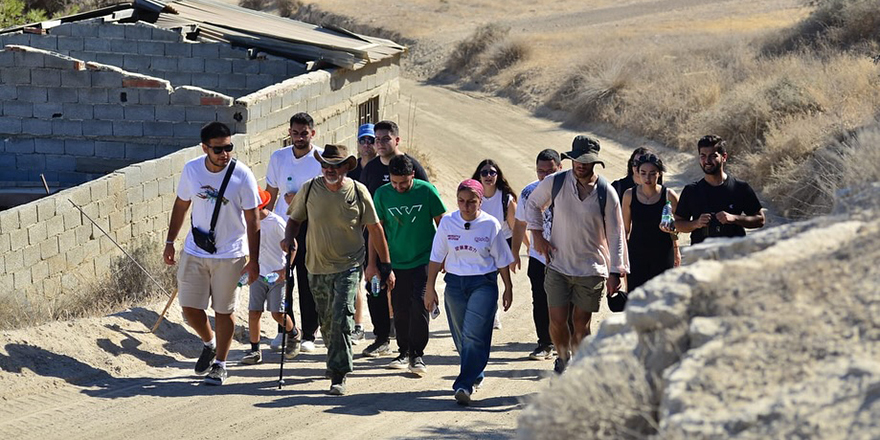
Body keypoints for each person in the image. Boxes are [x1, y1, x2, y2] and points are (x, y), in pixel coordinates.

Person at [282, 144, 396, 396]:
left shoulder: (358, 191)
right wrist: (288, 238)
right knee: (326, 321)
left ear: (346, 167)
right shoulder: (309, 189)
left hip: (349, 265)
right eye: (325, 165)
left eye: (335, 166)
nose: (329, 170)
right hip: (316, 266)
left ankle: (339, 373)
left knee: (342, 317)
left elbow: (375, 228)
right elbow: (294, 220)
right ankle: (335, 357)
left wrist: (385, 265)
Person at [163, 121, 261, 386]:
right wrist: (170, 241)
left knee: (223, 310)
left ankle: (220, 364)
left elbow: (253, 219)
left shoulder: (242, 175)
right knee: (189, 308)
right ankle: (209, 342)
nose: (224, 154)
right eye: (218, 149)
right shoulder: (192, 170)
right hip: (195, 249)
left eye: (228, 147)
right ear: (204, 148)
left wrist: (254, 260)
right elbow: (182, 204)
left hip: (230, 254)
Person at [524, 135, 629, 374]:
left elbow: (616, 235)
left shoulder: (606, 192)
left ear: (595, 162)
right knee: (557, 320)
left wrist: (616, 271)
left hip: (591, 268)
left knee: (581, 323)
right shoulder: (556, 182)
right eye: (577, 160)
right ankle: (563, 358)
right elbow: (533, 204)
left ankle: (581, 367)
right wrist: (537, 234)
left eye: (586, 161)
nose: (581, 165)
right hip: (558, 265)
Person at [425, 179, 515, 406]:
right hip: (455, 284)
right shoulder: (448, 223)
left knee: (474, 333)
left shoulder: (490, 224)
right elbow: (436, 256)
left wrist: (508, 287)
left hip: (483, 282)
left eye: (471, 202)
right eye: (461, 201)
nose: (466, 206)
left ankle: (463, 385)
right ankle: (475, 374)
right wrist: (430, 287)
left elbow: (502, 259)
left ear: (480, 202)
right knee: (461, 336)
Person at [358, 120, 429, 357]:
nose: (379, 143)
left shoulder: (412, 166)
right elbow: (364, 206)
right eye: (376, 139)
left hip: (406, 246)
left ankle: (408, 344)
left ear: (397, 140)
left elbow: (425, 199)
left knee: (405, 297)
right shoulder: (370, 169)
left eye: (385, 138)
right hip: (376, 242)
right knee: (375, 289)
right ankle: (381, 338)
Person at [372, 155, 446, 375]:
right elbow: (376, 232)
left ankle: (417, 354)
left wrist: (444, 255)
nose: (399, 187)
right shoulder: (382, 194)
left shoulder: (426, 190)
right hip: (395, 261)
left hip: (424, 259)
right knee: (400, 307)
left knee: (420, 303)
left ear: (412, 175)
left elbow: (442, 223)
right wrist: (373, 263)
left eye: (403, 182)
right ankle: (403, 351)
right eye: (394, 182)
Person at [264, 112, 323, 354]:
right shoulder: (278, 157)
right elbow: (270, 193)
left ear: (312, 133)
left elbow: (327, 195)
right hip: (282, 227)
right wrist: (264, 225)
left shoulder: (320, 159)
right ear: (289, 132)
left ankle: (309, 333)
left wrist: (301, 199)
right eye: (295, 133)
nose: (299, 138)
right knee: (282, 280)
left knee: (307, 281)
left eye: (304, 133)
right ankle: (286, 330)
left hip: (311, 228)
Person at [511, 149, 563, 361]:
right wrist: (514, 252)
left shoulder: (570, 190)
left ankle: (566, 343)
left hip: (566, 256)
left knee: (566, 301)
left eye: (550, 171)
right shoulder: (528, 192)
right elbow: (520, 224)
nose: (545, 176)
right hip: (539, 256)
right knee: (540, 300)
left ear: (560, 168)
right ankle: (545, 343)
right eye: (541, 171)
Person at [241, 188, 301, 366]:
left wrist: (285, 270)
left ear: (260, 206)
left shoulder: (276, 222)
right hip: (258, 273)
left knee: (278, 313)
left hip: (277, 276)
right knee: (254, 312)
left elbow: (293, 245)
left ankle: (294, 334)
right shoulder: (246, 223)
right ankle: (255, 350)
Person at [674, 135, 765, 245]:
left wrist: (734, 218)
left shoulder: (740, 188)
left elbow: (760, 220)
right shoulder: (691, 191)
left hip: (734, 252)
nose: (707, 161)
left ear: (724, 157)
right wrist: (696, 223)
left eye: (713, 156)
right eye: (703, 156)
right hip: (701, 253)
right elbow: (678, 224)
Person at [621, 153, 680, 291]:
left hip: (663, 253)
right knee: (636, 296)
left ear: (659, 173)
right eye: (643, 173)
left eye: (652, 173)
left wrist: (676, 250)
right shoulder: (629, 195)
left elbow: (679, 226)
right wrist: (622, 256)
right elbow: (625, 229)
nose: (647, 178)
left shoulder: (669, 195)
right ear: (637, 172)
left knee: (661, 296)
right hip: (636, 254)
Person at [471, 159, 517, 330]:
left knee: (491, 277)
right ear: (479, 176)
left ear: (498, 175)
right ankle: (487, 311)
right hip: (480, 243)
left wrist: (520, 250)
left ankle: (493, 313)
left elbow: (516, 227)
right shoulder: (473, 196)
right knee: (485, 278)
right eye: (484, 172)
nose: (488, 176)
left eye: (492, 172)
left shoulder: (506, 198)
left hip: (502, 242)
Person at [348, 123, 378, 344]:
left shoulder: (384, 167)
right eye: (363, 140)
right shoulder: (351, 172)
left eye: (371, 140)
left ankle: (388, 322)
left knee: (379, 278)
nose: (367, 144)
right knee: (356, 280)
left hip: (378, 231)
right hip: (355, 233)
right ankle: (358, 326)